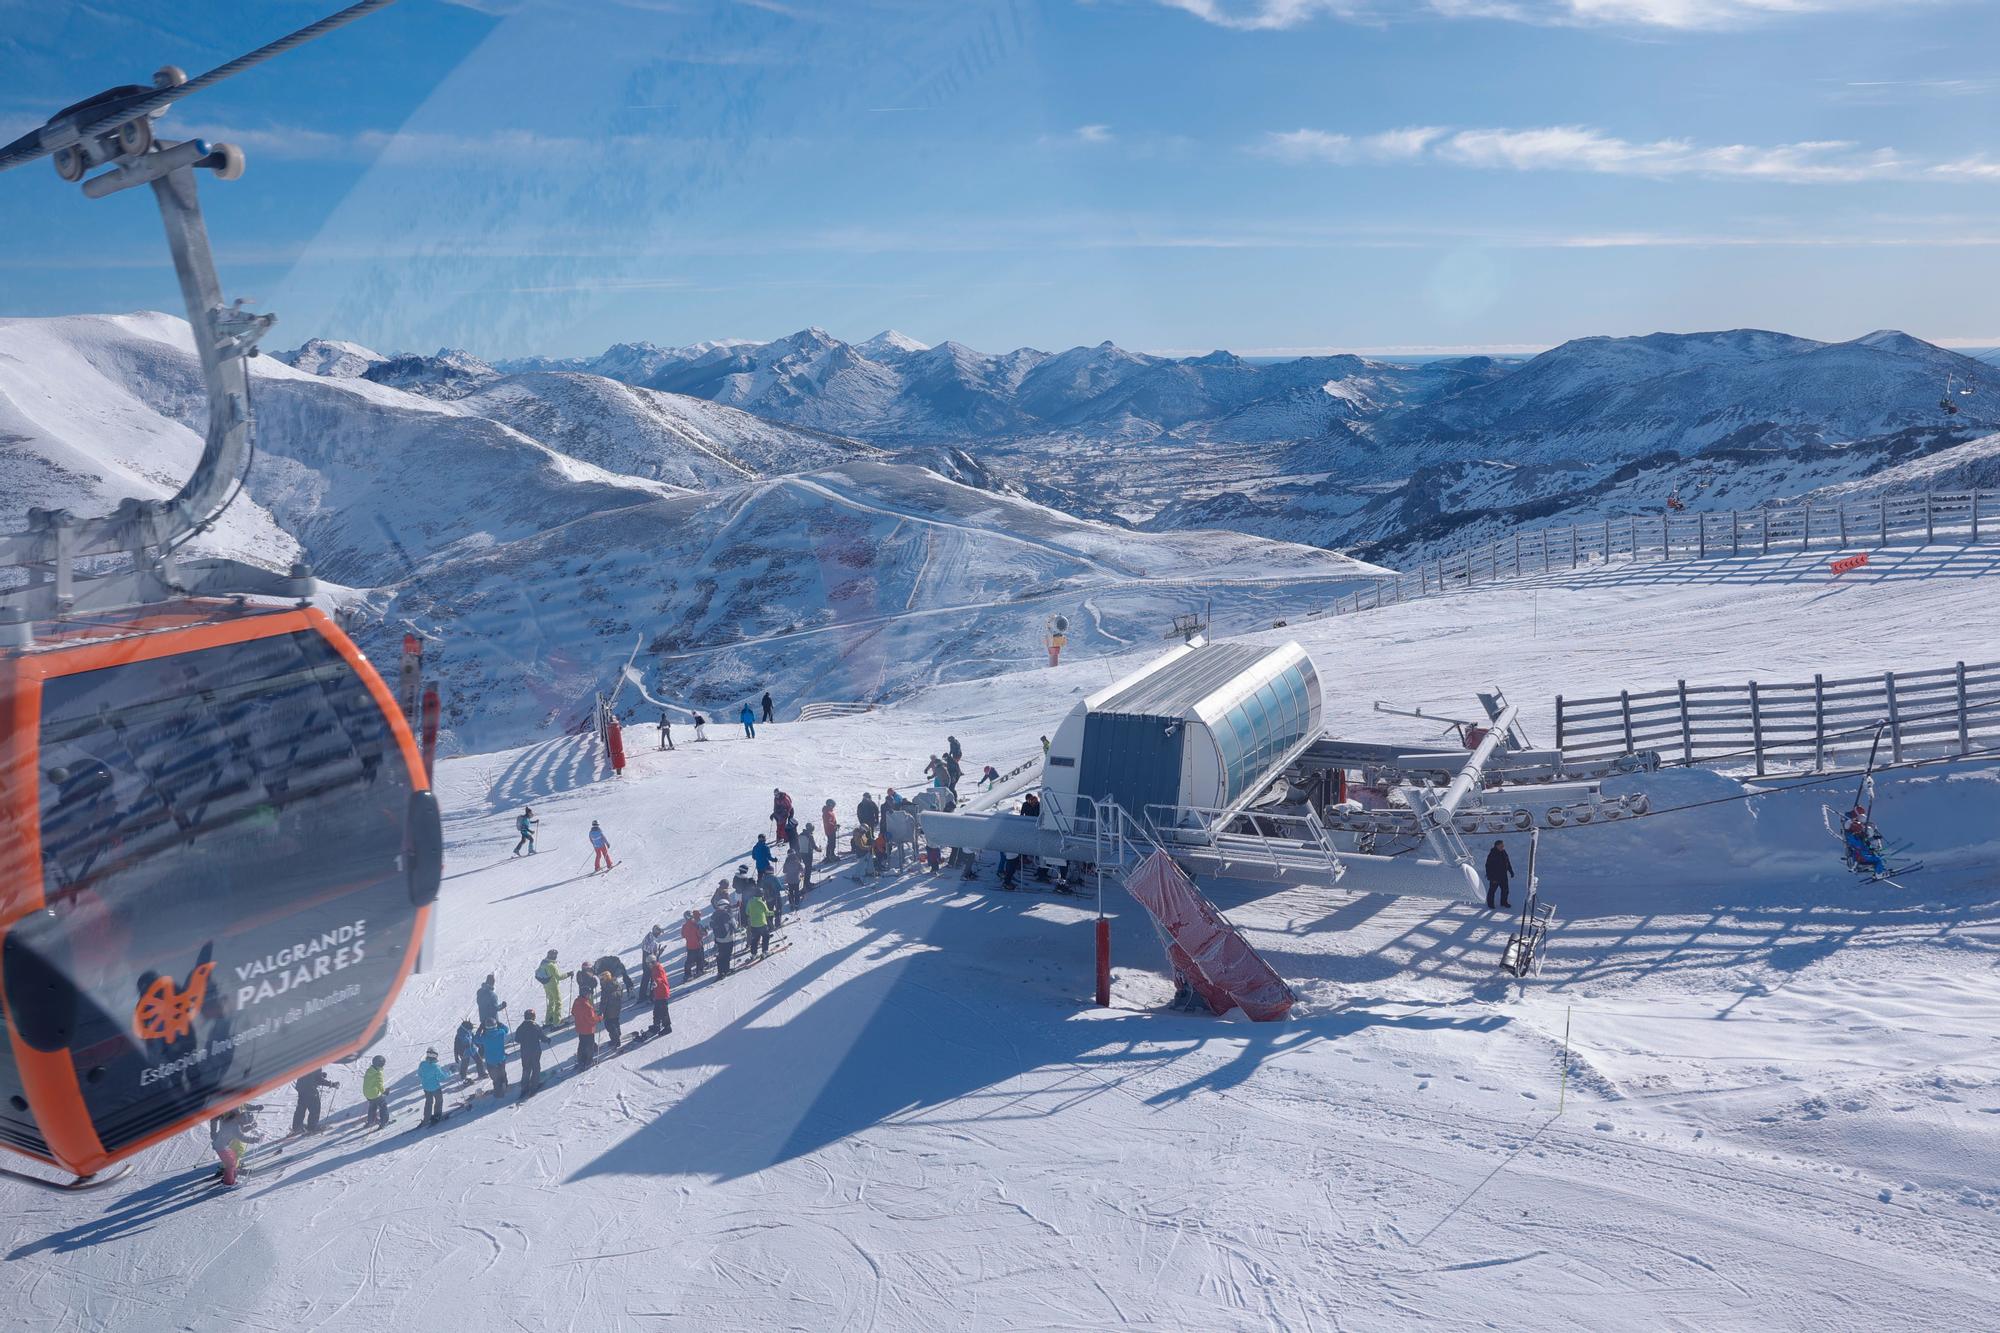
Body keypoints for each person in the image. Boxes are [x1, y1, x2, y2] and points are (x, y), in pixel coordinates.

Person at [211, 1105, 261, 1186]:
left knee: (233, 1160)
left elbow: (241, 1130)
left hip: (223, 1145)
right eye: (246, 1122)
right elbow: (242, 1137)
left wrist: (251, 1127)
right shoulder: (235, 1125)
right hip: (221, 1146)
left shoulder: (235, 1121)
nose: (245, 1123)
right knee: (230, 1164)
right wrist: (254, 1140)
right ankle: (228, 1183)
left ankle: (232, 1175)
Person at [290, 1068, 336, 1135]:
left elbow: (310, 1074)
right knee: (315, 1108)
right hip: (310, 1089)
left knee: (301, 1107)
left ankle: (297, 1127)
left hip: (301, 1088)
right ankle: (312, 1128)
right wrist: (331, 1084)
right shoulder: (316, 1062)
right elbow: (318, 1080)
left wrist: (320, 1074)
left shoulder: (306, 1060)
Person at [515, 1009, 546, 1100]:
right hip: (535, 1051)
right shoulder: (535, 1026)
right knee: (536, 1068)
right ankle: (534, 1087)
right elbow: (542, 1037)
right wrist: (547, 1040)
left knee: (526, 1069)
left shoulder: (521, 1027)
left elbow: (517, 1039)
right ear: (533, 1017)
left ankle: (524, 1087)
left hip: (524, 1052)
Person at [537, 950, 567, 1029]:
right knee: (558, 1002)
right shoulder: (551, 965)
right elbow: (559, 977)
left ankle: (548, 1021)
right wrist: (568, 974)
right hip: (553, 985)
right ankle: (557, 1022)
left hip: (546, 985)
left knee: (551, 1002)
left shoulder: (543, 962)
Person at [480, 1019, 511, 1095]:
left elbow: (475, 1039)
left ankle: (498, 1091)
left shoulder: (484, 1037)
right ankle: (505, 1085)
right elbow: (506, 1029)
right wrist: (499, 1023)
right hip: (501, 1059)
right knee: (502, 1073)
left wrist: (479, 1029)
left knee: (495, 1077)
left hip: (491, 1061)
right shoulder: (501, 1032)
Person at [572, 990, 601, 1070]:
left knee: (582, 1044)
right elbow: (592, 1019)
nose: (590, 996)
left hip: (580, 1028)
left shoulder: (577, 1001)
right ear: (585, 994)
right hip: (588, 1029)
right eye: (589, 994)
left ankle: (581, 1060)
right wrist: (599, 1018)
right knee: (589, 1045)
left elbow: (573, 1012)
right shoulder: (587, 1006)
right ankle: (589, 1061)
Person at [645, 954, 673, 1037]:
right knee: (656, 1011)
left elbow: (660, 977)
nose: (647, 965)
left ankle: (667, 1027)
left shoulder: (658, 968)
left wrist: (656, 982)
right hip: (658, 993)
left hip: (662, 993)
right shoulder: (654, 968)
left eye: (648, 963)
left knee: (663, 1011)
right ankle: (656, 1025)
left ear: (651, 962)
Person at [418, 1049, 447, 1125]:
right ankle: (437, 1116)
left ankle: (426, 1118)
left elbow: (420, 1074)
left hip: (426, 1088)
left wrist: (425, 1080)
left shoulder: (422, 1064)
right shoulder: (435, 1066)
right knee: (439, 1101)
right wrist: (450, 1072)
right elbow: (442, 1077)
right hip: (435, 1088)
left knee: (428, 1102)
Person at [597, 969, 624, 1052]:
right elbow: (620, 994)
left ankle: (616, 1040)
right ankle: (617, 1035)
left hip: (609, 1010)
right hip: (616, 1008)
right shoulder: (616, 984)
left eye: (602, 979)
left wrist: (600, 1012)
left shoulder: (606, 988)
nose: (601, 982)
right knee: (615, 1022)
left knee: (610, 1025)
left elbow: (604, 1001)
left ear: (606, 978)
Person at [1484, 839, 1514, 911]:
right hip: (1495, 877)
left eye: (1503, 846)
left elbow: (1507, 862)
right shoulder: (1492, 854)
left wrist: (1511, 871)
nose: (1502, 847)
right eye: (1501, 846)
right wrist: (1490, 877)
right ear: (1496, 846)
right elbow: (1488, 866)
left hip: (1503, 875)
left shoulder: (1503, 852)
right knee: (1492, 891)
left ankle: (1504, 902)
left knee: (1505, 890)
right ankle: (1490, 904)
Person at [362, 1054, 391, 1130]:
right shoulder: (378, 1073)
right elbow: (379, 1084)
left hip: (367, 1092)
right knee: (383, 1106)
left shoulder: (370, 1070)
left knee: (372, 1106)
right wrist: (384, 1091)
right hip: (374, 1093)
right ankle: (384, 1122)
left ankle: (370, 1121)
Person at [711, 896, 737, 977]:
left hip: (718, 939)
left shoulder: (714, 915)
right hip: (728, 938)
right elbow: (735, 926)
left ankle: (720, 971)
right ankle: (726, 970)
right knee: (727, 955)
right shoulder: (728, 915)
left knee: (721, 954)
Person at [745, 888, 772, 960]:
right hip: (762, 924)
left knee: (755, 940)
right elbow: (767, 913)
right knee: (766, 937)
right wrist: (774, 912)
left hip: (753, 925)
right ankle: (765, 951)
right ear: (762, 894)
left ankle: (754, 954)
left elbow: (747, 912)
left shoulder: (750, 901)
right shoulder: (761, 902)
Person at [682, 910, 708, 980]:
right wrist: (705, 931)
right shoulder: (696, 924)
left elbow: (683, 935)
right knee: (700, 959)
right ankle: (699, 971)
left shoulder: (684, 926)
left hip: (689, 946)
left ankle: (687, 975)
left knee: (689, 961)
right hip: (698, 944)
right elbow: (701, 934)